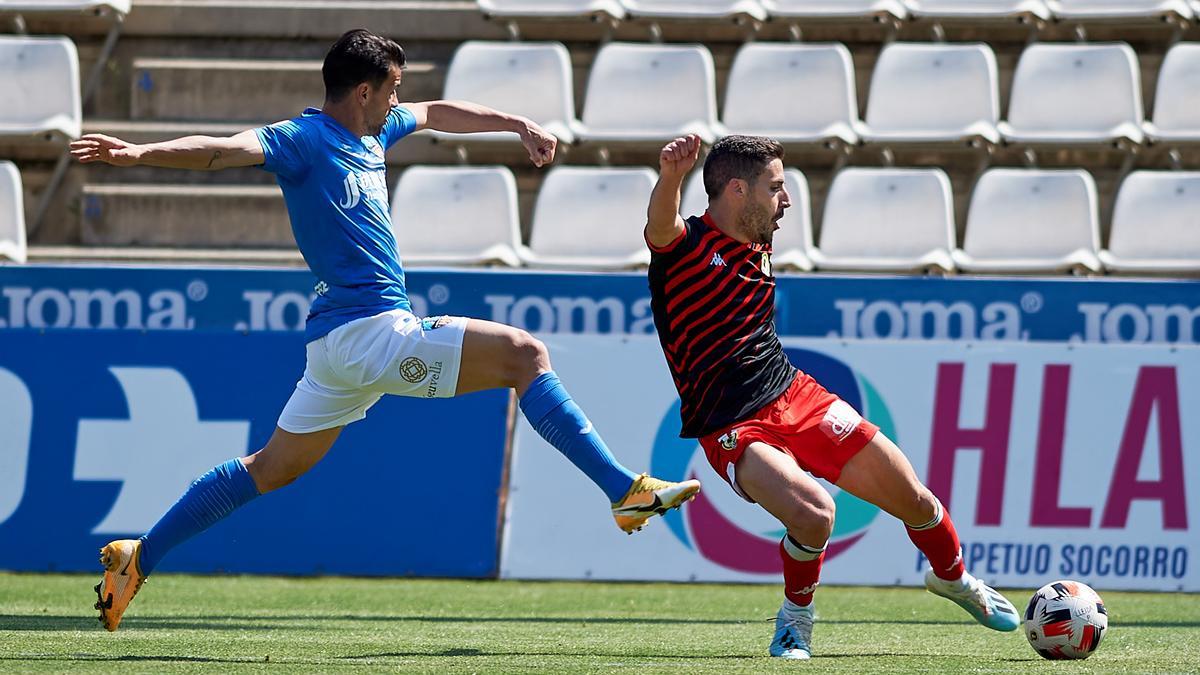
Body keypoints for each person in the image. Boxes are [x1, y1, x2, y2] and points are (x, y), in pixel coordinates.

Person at [72, 28, 700, 632]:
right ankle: (625, 491)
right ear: (364, 91)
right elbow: (222, 149)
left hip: (339, 347)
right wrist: (137, 153)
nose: (399, 100)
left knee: (269, 468)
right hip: (365, 332)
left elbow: (439, 112)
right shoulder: (304, 139)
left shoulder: (375, 132)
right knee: (524, 355)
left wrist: (516, 124)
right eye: (392, 88)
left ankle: (138, 559)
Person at [644, 134, 1018, 660]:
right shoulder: (687, 248)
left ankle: (953, 579)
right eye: (776, 188)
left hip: (796, 394)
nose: (788, 200)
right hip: (731, 425)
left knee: (914, 498)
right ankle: (795, 622)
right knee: (815, 514)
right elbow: (660, 226)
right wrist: (672, 176)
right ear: (736, 191)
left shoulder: (758, 236)